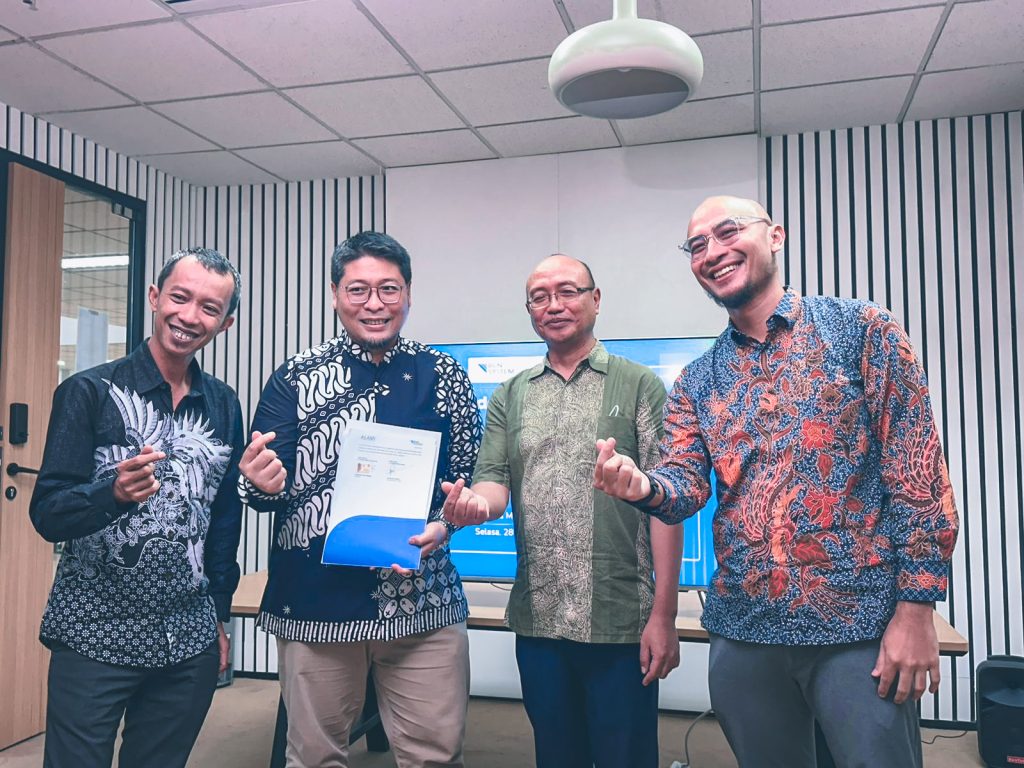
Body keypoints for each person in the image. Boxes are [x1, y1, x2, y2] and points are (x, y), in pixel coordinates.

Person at [593, 195, 960, 768]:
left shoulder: (860, 329)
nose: (712, 252)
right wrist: (643, 486)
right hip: (745, 631)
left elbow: (918, 475)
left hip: (858, 627)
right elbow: (685, 485)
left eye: (728, 232)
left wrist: (916, 610)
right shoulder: (699, 379)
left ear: (775, 236)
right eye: (697, 245)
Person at [238, 231, 482, 768]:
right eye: (358, 289)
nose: (375, 303)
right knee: (314, 757)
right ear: (335, 295)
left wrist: (448, 523)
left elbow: (465, 480)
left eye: (389, 289)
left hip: (422, 604)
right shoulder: (296, 377)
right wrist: (260, 483)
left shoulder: (443, 375)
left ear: (408, 293)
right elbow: (260, 489)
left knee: (437, 758)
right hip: (316, 605)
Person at [441, 254, 683, 768]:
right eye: (540, 297)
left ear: (595, 300)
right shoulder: (511, 393)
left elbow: (667, 503)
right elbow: (493, 483)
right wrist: (474, 506)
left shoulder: (639, 384)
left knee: (626, 758)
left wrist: (664, 616)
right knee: (555, 755)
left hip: (621, 619)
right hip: (539, 619)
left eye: (567, 291)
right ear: (530, 310)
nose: (554, 305)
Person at [30, 247, 245, 768]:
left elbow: (223, 519)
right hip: (95, 630)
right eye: (179, 297)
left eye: (209, 308)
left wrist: (218, 615)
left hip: (187, 637)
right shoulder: (88, 391)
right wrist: (112, 494)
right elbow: (48, 511)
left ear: (225, 323)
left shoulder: (223, 404)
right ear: (154, 297)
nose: (189, 315)